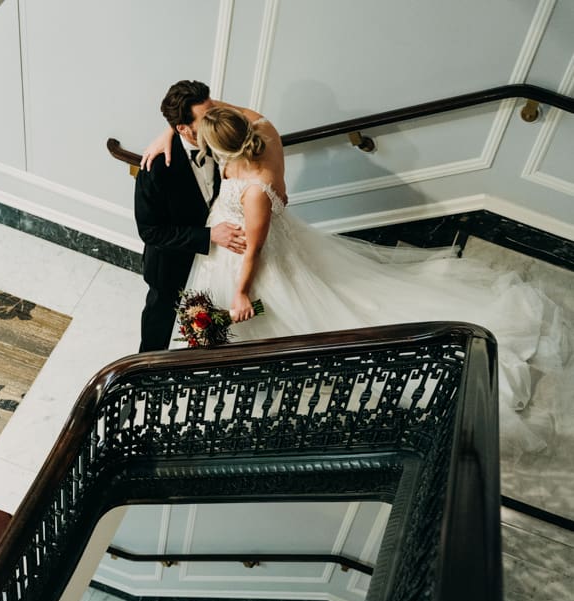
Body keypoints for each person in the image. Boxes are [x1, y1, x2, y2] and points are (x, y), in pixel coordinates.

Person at [179, 104, 569, 456]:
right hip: (242, 249)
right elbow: (244, 114)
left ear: (223, 148)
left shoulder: (254, 191)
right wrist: (176, 128)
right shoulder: (263, 134)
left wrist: (242, 292)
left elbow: (255, 250)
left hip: (261, 265)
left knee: (311, 319)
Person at [133, 80, 248, 352]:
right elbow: (150, 231)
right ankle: (148, 369)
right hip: (172, 265)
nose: (215, 120)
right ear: (183, 128)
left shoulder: (220, 137)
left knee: (215, 321)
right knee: (159, 327)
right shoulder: (155, 168)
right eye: (205, 118)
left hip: (219, 262)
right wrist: (209, 236)